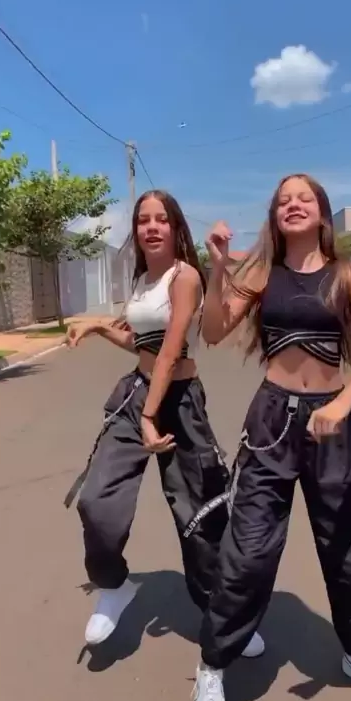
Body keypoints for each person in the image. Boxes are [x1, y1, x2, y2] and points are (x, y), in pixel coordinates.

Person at [192, 174, 351, 701]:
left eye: (305, 199)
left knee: (350, 549)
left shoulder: (345, 274)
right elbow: (213, 330)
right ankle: (212, 667)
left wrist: (342, 401)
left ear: (321, 213)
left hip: (334, 424)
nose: (293, 205)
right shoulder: (261, 274)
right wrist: (217, 268)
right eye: (284, 200)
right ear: (274, 215)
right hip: (272, 421)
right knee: (248, 550)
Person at [65, 189, 264, 658]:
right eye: (143, 220)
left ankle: (223, 616)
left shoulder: (185, 276)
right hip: (137, 393)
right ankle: (114, 585)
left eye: (160, 219)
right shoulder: (142, 280)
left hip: (178, 403)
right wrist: (99, 326)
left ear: (176, 228)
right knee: (96, 500)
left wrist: (151, 416)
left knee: (200, 513)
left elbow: (173, 350)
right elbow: (144, 345)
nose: (151, 227)